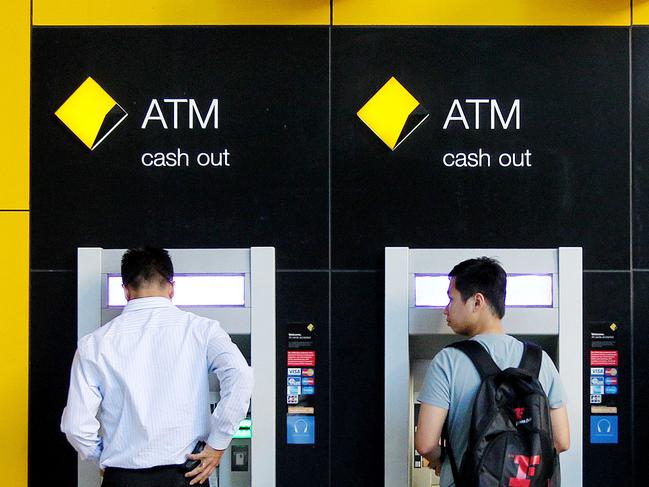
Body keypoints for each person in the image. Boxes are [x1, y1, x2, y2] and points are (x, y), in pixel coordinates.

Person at [61, 246, 253, 487]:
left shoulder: (94, 344)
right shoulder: (202, 330)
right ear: (172, 288)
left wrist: (103, 460)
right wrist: (217, 444)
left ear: (126, 292)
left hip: (122, 478)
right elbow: (241, 378)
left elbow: (75, 426)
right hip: (187, 476)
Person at [414, 257, 570, 487]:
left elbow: (425, 444)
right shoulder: (540, 361)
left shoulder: (448, 361)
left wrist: (443, 463)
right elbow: (561, 440)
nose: (446, 309)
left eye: (451, 299)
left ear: (477, 301)